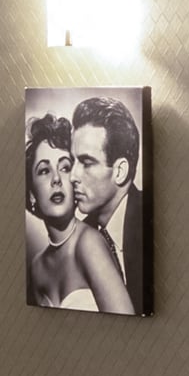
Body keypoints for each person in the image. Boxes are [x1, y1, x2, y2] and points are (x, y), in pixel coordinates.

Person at [61, 94, 142, 315]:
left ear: (120, 171)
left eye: (87, 163)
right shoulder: (79, 237)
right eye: (73, 161)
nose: (73, 176)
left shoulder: (153, 223)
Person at [23, 113, 82, 306]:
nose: (56, 179)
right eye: (44, 170)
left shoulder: (89, 244)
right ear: (32, 194)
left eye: (65, 168)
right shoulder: (37, 267)